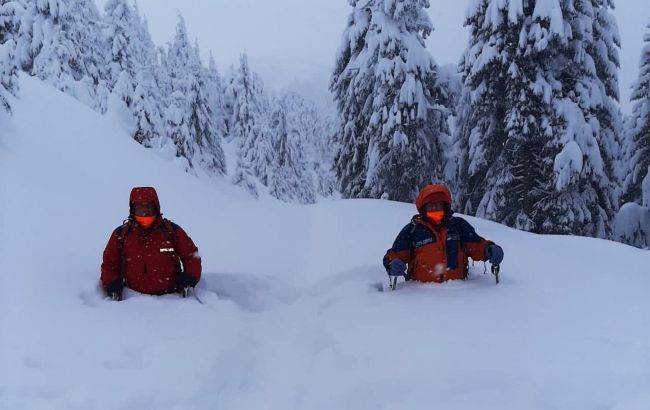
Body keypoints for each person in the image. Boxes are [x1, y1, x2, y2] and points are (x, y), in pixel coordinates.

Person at [383, 184, 504, 283]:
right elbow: (393, 254)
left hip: (459, 294)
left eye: (438, 204)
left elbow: (476, 245)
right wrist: (392, 264)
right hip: (420, 297)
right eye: (431, 205)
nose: (435, 208)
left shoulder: (458, 226)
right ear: (423, 208)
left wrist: (489, 249)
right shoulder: (412, 230)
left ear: (445, 206)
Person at [101, 187, 201, 300]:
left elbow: (191, 255)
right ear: (132, 209)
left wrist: (190, 277)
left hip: (172, 299)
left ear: (156, 207)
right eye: (139, 207)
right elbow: (110, 263)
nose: (144, 211)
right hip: (131, 300)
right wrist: (111, 283)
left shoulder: (171, 231)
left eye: (148, 206)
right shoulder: (121, 234)